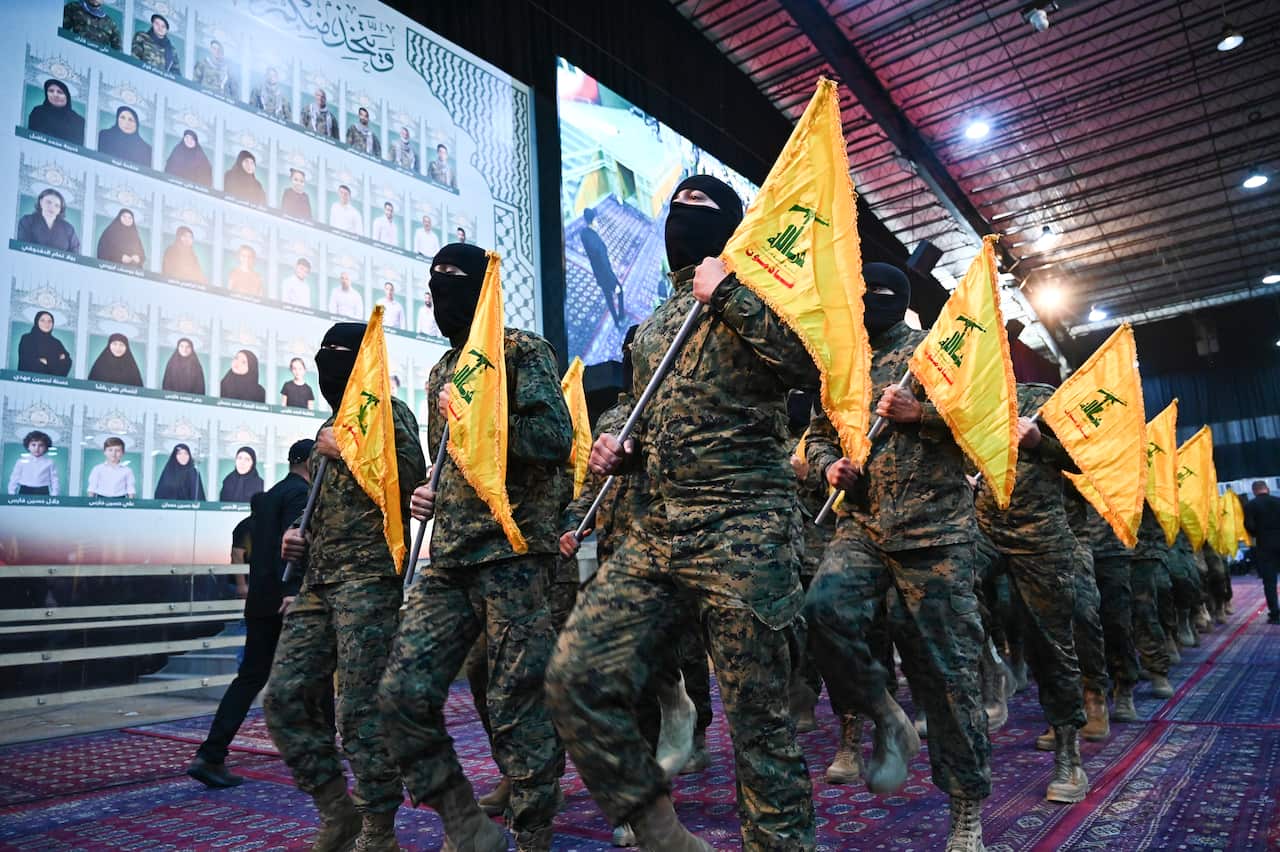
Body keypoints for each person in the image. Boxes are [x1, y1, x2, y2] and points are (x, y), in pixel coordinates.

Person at [546, 176, 817, 851]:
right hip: (661, 529)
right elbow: (659, 423)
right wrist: (625, 450)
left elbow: (811, 366)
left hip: (743, 529)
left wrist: (726, 293)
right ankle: (660, 829)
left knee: (759, 726)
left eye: (700, 211)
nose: (679, 220)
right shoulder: (655, 324)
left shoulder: (763, 297)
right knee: (575, 675)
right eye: (676, 209)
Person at [378, 242, 570, 852]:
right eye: (434, 284)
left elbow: (553, 438)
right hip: (452, 554)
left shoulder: (519, 350)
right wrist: (430, 494)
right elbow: (456, 463)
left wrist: (481, 416)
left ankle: (533, 829)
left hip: (513, 552)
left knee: (517, 699)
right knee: (402, 690)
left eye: (455, 281)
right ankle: (465, 821)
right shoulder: (440, 371)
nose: (442, 294)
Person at [804, 261, 989, 851]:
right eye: (866, 293)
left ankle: (966, 811)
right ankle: (885, 711)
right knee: (822, 608)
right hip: (862, 526)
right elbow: (814, 436)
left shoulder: (936, 352)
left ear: (905, 302)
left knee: (949, 672)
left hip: (934, 535)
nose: (874, 301)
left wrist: (923, 415)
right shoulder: (841, 364)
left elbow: (988, 425)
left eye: (887, 294)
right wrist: (825, 465)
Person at [265, 323, 425, 851]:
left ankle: (378, 826)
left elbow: (407, 483)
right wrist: (298, 539)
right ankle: (337, 809)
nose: (326, 365)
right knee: (286, 696)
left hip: (369, 582)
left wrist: (349, 451)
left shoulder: (390, 412)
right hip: (318, 582)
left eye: (338, 356)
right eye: (322, 355)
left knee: (359, 712)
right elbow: (328, 511)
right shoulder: (328, 426)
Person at [189, 439, 316, 788]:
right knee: (311, 675)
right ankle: (317, 755)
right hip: (286, 601)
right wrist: (293, 592)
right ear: (308, 461)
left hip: (260, 601)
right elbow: (294, 545)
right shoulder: (300, 495)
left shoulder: (269, 496)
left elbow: (252, 544)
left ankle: (211, 754)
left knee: (250, 678)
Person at [1067, 487, 1139, 722]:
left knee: (1117, 621)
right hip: (1072, 540)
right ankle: (1090, 692)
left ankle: (1123, 687)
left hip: (1111, 541)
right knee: (1081, 619)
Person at [579, 207, 625, 327]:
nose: (598, 222)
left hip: (598, 274)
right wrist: (614, 283)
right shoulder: (597, 244)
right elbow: (604, 264)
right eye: (596, 220)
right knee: (619, 291)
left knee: (608, 299)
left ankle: (616, 322)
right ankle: (621, 317)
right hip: (605, 274)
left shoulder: (584, 234)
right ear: (593, 221)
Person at [1244, 480, 1280, 624]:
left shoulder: (1250, 505)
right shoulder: (1278, 501)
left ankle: (1275, 614)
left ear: (1254, 491)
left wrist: (1258, 534)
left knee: (1269, 582)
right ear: (1267, 489)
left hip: (1264, 546)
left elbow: (1249, 526)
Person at [16, 189, 80, 253]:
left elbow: (75, 253)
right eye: (48, 202)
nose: (52, 207)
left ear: (60, 210)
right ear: (41, 202)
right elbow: (21, 247)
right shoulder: (27, 221)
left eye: (57, 205)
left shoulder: (68, 229)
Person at [27, 79, 85, 145]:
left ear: (67, 96)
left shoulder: (79, 121)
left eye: (60, 92)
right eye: (51, 91)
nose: (55, 95)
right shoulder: (38, 112)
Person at [17, 311, 72, 376]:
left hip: (52, 383)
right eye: (42, 320)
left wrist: (46, 362)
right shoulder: (27, 339)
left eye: (49, 321)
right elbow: (29, 363)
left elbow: (67, 362)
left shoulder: (56, 343)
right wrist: (55, 363)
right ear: (36, 322)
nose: (46, 324)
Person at [8, 431, 59, 496]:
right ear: (28, 446)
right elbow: (15, 477)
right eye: (33, 445)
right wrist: (11, 492)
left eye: (41, 445)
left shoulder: (49, 462)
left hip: (43, 490)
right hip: (25, 489)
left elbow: (54, 479)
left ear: (46, 447)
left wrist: (55, 493)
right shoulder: (21, 461)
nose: (37, 448)